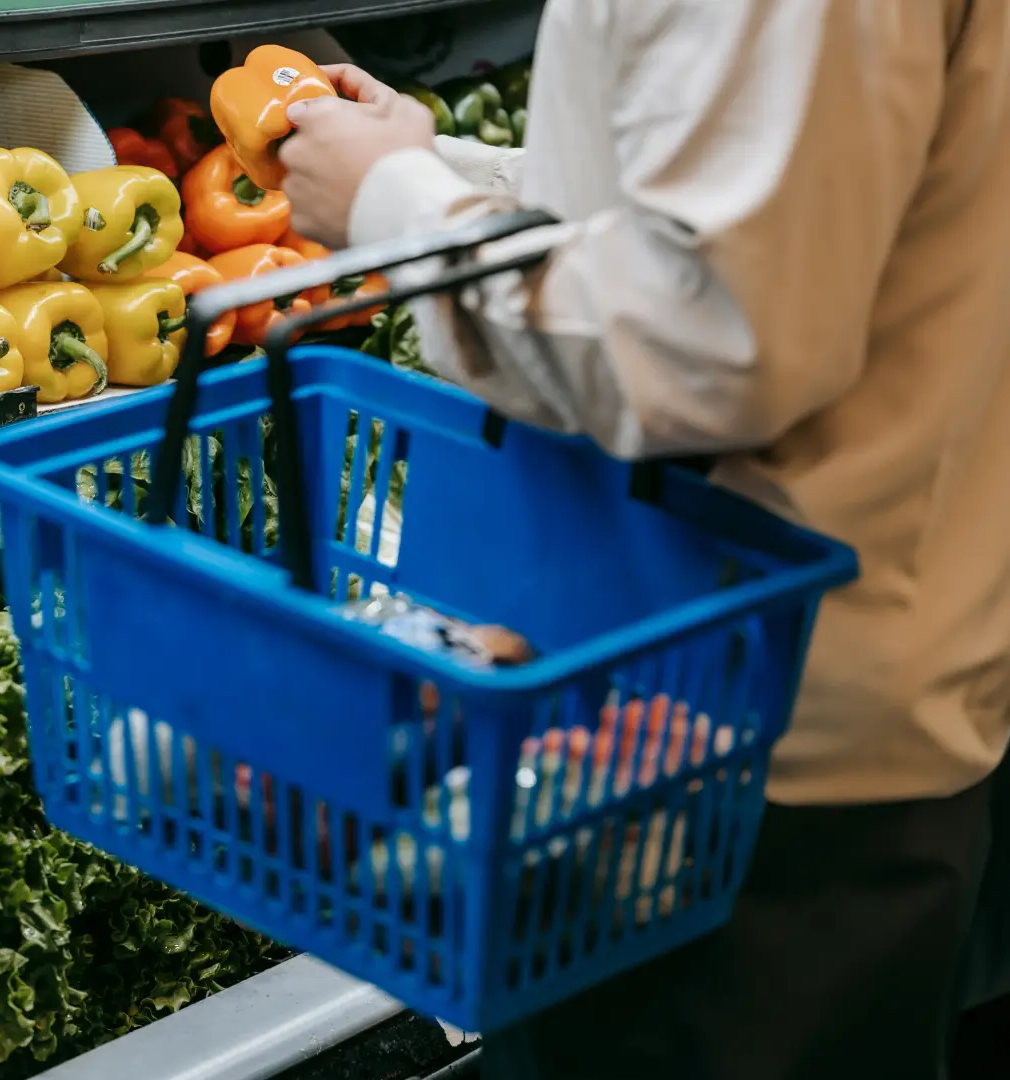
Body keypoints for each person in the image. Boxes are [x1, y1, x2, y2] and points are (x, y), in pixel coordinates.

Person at [273, 2, 1010, 1079]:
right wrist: (438, 168)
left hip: (748, 741)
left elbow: (716, 343)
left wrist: (399, 204)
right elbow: (763, 198)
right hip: (722, 683)